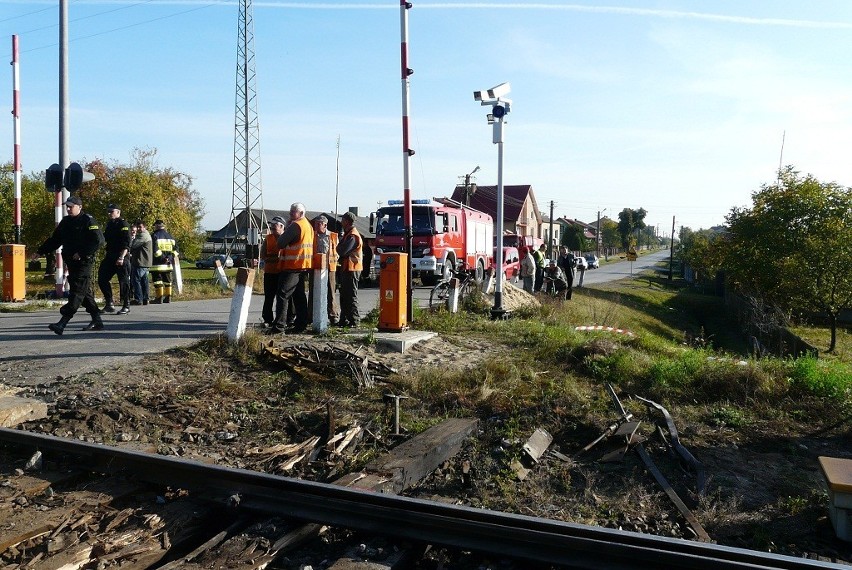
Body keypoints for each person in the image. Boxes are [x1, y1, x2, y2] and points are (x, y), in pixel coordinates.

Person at [37, 195, 105, 335]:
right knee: (83, 292)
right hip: (71, 262)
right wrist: (40, 251)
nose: (68, 209)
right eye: (67, 206)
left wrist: (81, 253)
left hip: (84, 262)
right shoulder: (66, 221)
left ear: (79, 207)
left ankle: (63, 322)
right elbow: (55, 240)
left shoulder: (88, 220)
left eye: (71, 206)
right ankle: (97, 319)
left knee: (77, 292)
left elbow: (98, 240)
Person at [271, 203, 314, 334]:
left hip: (293, 266)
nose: (290, 215)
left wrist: (283, 231)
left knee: (283, 294)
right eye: (290, 212)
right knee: (299, 295)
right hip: (303, 265)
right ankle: (301, 324)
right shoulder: (308, 225)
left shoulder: (296, 225)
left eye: (293, 212)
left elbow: (280, 243)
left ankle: (279, 327)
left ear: (301, 213)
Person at [96, 204, 132, 315]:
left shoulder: (123, 224)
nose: (109, 213)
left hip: (121, 256)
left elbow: (127, 242)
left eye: (111, 211)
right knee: (102, 278)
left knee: (124, 282)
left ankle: (126, 305)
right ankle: (109, 303)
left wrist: (121, 257)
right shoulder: (110, 224)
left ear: (118, 212)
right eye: (108, 211)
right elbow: (104, 238)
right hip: (110, 256)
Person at [309, 215, 340, 325]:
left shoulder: (332, 236)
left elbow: (338, 251)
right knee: (313, 291)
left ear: (325, 225)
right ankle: (311, 316)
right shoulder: (312, 235)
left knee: (331, 292)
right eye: (315, 224)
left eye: (319, 224)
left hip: (330, 267)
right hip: (316, 267)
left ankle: (333, 316)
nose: (316, 226)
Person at [335, 211, 363, 328]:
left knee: (350, 295)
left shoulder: (352, 236)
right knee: (345, 295)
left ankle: (354, 320)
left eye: (343, 220)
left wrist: (339, 246)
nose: (341, 222)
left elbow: (342, 251)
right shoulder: (349, 234)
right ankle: (345, 319)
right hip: (348, 268)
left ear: (347, 221)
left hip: (352, 268)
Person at [260, 215, 286, 327]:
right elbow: (263, 255)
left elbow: (285, 256)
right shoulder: (268, 238)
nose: (272, 228)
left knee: (283, 298)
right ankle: (267, 319)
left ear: (282, 227)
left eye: (275, 226)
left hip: (282, 272)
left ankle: (284, 319)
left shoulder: (286, 238)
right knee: (269, 297)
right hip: (269, 272)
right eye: (272, 226)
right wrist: (274, 258)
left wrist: (272, 258)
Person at [150, 219, 177, 304]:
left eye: (154, 226)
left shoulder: (154, 235)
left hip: (157, 264)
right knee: (167, 281)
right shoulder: (170, 236)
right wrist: (169, 258)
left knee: (157, 280)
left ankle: (159, 298)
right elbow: (176, 250)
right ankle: (168, 297)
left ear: (157, 226)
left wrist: (162, 258)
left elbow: (155, 250)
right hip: (168, 264)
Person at [129, 219, 153, 305]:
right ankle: (145, 298)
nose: (139, 229)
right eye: (137, 227)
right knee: (144, 281)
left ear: (144, 227)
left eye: (140, 227)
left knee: (135, 280)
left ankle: (138, 299)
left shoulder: (143, 236)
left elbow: (133, 245)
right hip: (144, 261)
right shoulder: (146, 235)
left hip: (141, 261)